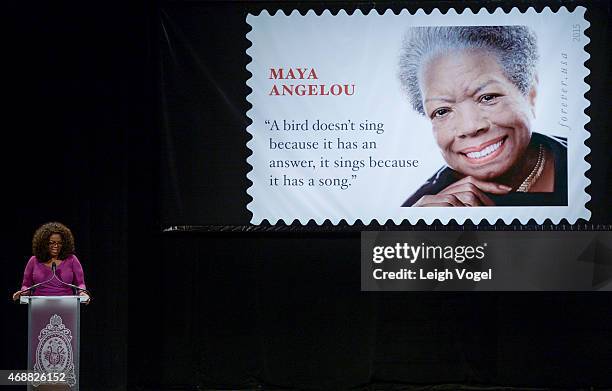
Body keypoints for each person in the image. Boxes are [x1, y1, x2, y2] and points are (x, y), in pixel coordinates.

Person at [398, 26, 567, 207]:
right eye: (442, 111)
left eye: (488, 98)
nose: (470, 127)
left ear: (530, 93)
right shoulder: (419, 211)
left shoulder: (584, 164)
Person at [12, 222, 89, 303]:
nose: (56, 246)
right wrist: (23, 292)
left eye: (59, 243)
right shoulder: (33, 260)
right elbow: (26, 285)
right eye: (52, 243)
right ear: (44, 244)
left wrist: (82, 293)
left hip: (67, 305)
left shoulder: (72, 259)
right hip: (39, 305)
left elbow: (80, 284)